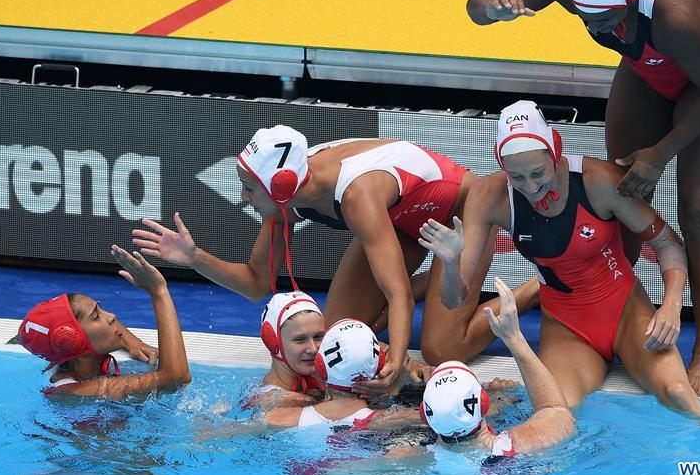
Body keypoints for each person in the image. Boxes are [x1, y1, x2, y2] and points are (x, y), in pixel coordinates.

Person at [466, 0, 700, 396]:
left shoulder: (675, 13)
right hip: (648, 68)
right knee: (625, 192)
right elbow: (478, 3)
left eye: (608, 18)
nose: (599, 29)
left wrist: (660, 153)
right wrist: (493, 8)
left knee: (697, 212)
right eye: (587, 18)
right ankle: (615, 316)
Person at [133, 126, 539, 395]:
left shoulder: (357, 196)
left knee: (440, 348)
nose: (242, 198)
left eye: (247, 189)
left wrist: (397, 364)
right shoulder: (287, 196)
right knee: (334, 336)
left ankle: (533, 291)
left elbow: (396, 294)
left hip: (459, 214)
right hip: (398, 219)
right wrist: (193, 257)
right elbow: (258, 282)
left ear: (282, 186)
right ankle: (432, 286)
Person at [420, 101, 700, 415]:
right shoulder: (490, 196)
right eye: (516, 177)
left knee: (679, 395)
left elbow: (669, 245)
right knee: (557, 412)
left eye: (538, 173)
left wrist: (671, 305)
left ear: (555, 152)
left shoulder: (598, 180)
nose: (530, 188)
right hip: (567, 329)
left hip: (626, 313)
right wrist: (450, 263)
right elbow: (453, 299)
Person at [417, 277, 574, 456]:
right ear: (484, 402)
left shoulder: (414, 458)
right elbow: (556, 410)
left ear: (425, 414)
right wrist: (513, 338)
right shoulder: (513, 446)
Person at [17, 245, 191, 399]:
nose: (112, 317)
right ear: (73, 340)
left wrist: (134, 343)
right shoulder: (82, 391)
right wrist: (158, 292)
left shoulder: (62, 357)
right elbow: (176, 378)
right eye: (96, 316)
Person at [264, 318, 420, 429]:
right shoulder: (395, 418)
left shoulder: (281, 417)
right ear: (379, 364)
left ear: (321, 366)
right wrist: (393, 391)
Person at [242, 290, 327, 411]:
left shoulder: (316, 385)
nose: (313, 349)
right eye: (300, 339)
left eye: (318, 337)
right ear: (272, 342)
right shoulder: (275, 402)